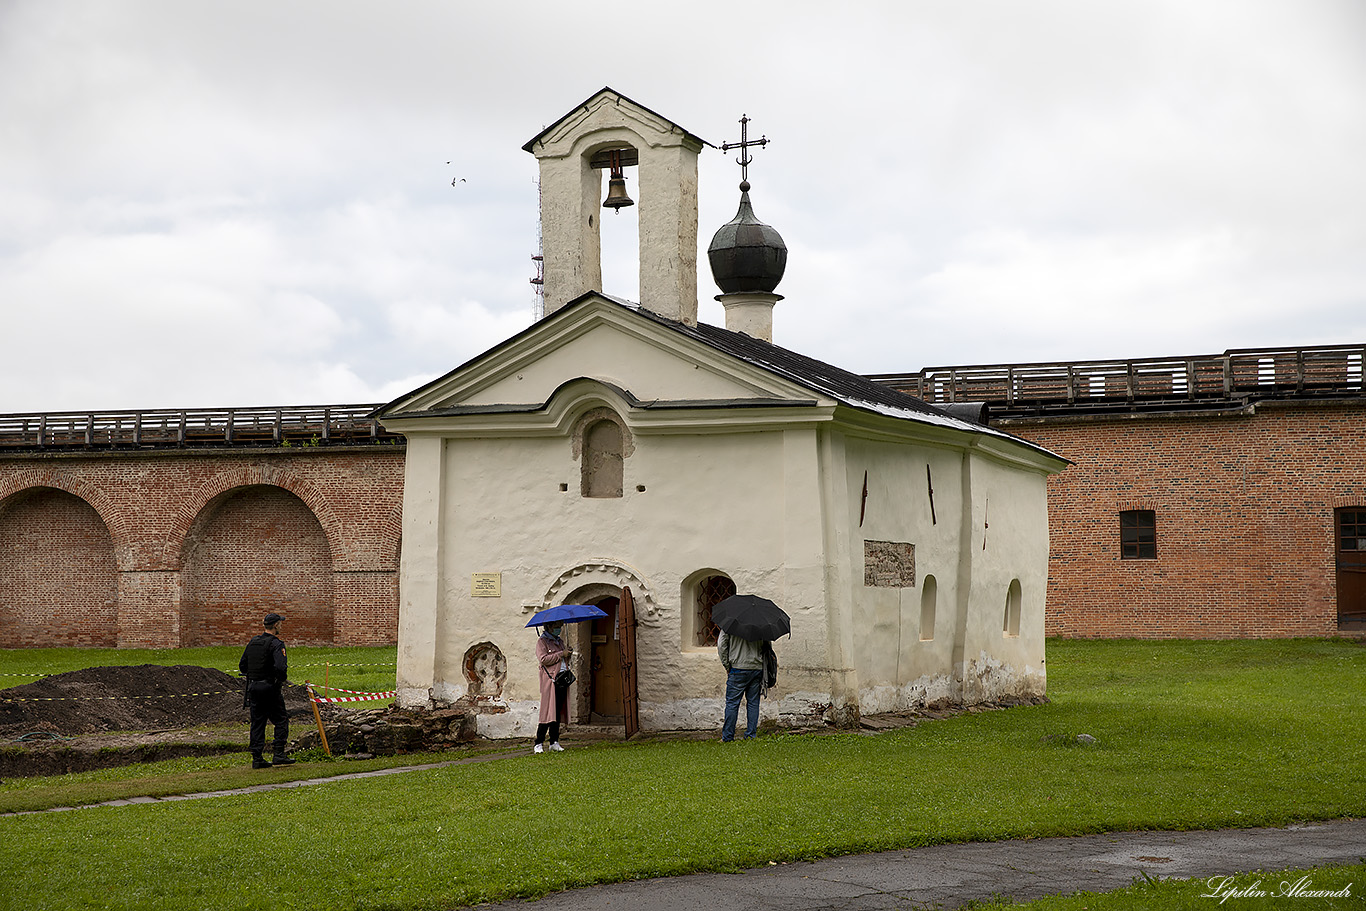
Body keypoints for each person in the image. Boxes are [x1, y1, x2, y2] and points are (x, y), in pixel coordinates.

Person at [238, 612, 296, 769]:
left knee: (257, 722)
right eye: (280, 624)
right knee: (281, 719)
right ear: (276, 625)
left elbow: (242, 665)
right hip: (270, 688)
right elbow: (280, 667)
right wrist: (278, 679)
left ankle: (257, 758)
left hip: (254, 687)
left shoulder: (253, 642)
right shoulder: (276, 644)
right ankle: (279, 754)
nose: (281, 626)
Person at [718, 628, 767, 741]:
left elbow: (721, 645)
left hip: (737, 668)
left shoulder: (730, 624)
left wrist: (727, 665)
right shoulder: (761, 624)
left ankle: (728, 737)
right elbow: (766, 647)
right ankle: (751, 735)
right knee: (753, 703)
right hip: (756, 668)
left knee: (732, 703)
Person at [534, 621, 573, 754]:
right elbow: (544, 659)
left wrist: (568, 654)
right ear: (549, 627)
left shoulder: (559, 641)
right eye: (557, 626)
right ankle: (538, 743)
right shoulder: (542, 642)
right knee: (547, 711)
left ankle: (554, 741)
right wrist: (561, 654)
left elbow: (562, 659)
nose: (559, 629)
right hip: (550, 680)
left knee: (556, 711)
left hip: (561, 678)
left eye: (560, 626)